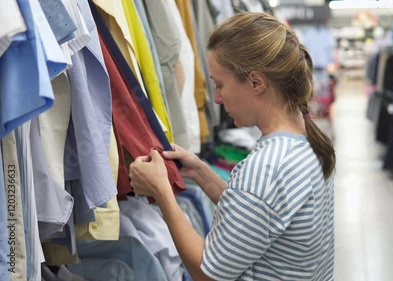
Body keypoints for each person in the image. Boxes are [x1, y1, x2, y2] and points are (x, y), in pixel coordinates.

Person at [129, 12, 336, 281]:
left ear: (256, 82)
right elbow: (258, 218)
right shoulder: (306, 143)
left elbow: (207, 273)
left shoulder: (266, 167)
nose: (215, 98)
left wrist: (162, 193)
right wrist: (201, 172)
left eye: (220, 85)